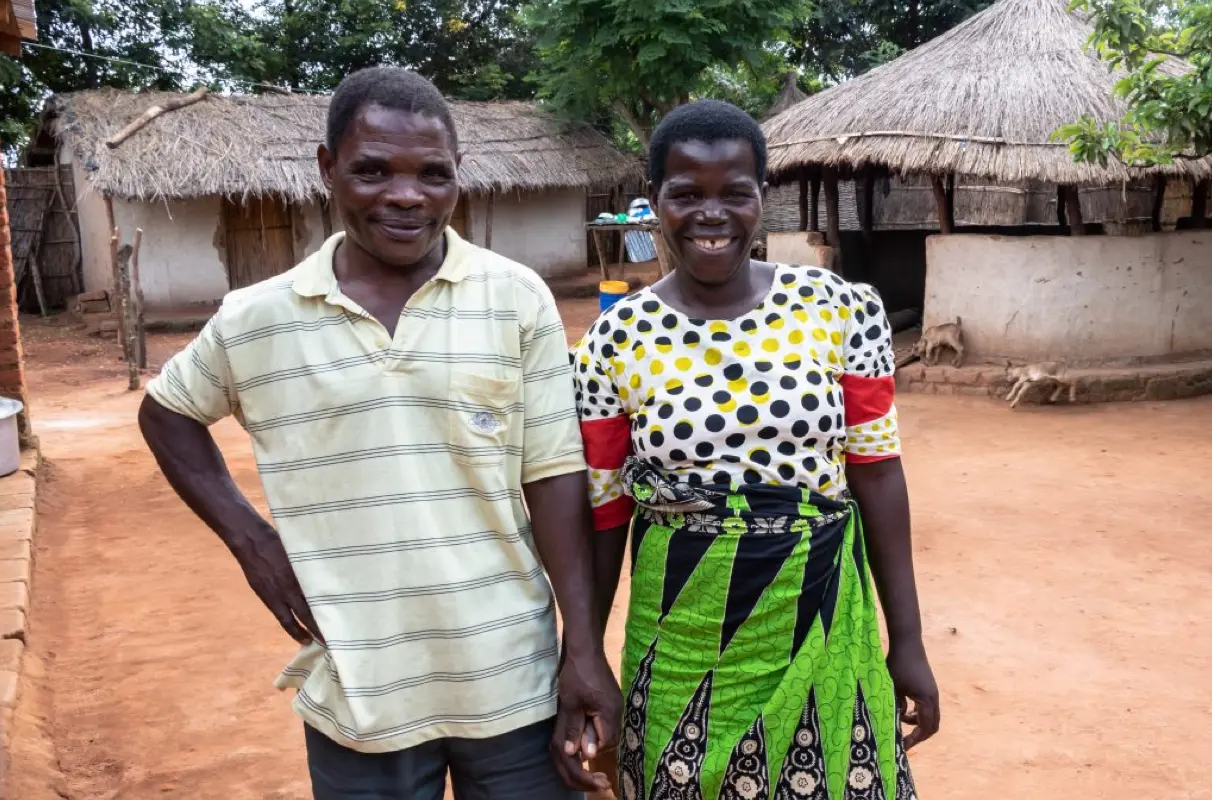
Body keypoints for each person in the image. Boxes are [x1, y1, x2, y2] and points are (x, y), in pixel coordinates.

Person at [139, 66, 620, 800]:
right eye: (371, 171)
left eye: (434, 174)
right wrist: (251, 540)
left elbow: (553, 474)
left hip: (512, 678)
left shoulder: (514, 296)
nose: (406, 196)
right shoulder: (256, 317)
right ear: (328, 170)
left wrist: (581, 650)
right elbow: (166, 412)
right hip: (359, 690)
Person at [573, 100, 940, 800]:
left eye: (735, 193)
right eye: (685, 194)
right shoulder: (612, 344)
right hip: (681, 640)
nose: (711, 213)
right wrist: (586, 658)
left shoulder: (839, 308)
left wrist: (911, 641)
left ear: (762, 199)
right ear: (655, 203)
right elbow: (606, 514)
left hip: (826, 623)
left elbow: (877, 472)